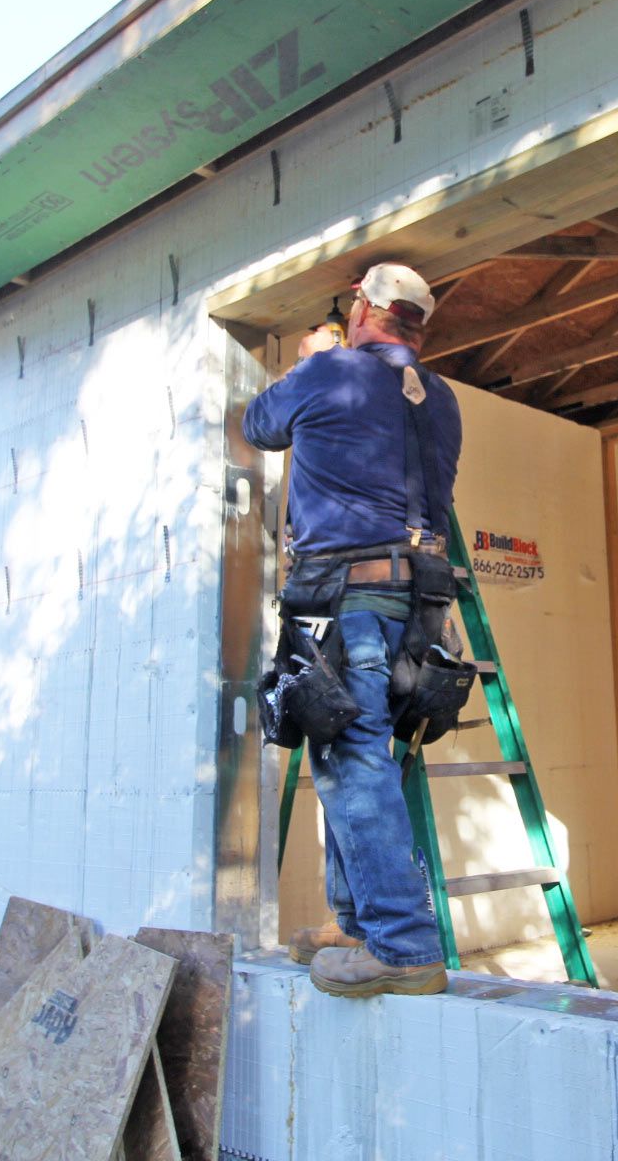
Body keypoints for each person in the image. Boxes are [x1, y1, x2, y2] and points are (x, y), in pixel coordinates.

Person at [242, 262, 462, 998]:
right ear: (417, 325)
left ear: (364, 308)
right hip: (418, 603)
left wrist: (310, 358)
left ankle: (401, 945)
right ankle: (358, 921)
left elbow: (258, 424)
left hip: (346, 597)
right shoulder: (443, 397)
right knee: (352, 747)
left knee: (350, 755)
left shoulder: (328, 371)